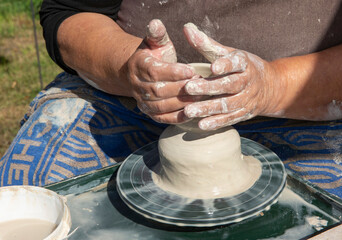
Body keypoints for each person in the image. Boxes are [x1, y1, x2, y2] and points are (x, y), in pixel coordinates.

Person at [1, 0, 342, 198]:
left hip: (312, 102)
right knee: (28, 201)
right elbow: (69, 11)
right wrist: (128, 67)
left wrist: (274, 86)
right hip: (128, 98)